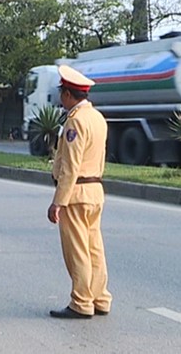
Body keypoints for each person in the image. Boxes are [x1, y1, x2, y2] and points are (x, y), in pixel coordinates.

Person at [47, 65, 112, 319]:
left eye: (62, 93)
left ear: (67, 95)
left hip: (77, 193)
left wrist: (58, 202)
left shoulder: (75, 121)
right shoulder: (97, 118)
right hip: (95, 190)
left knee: (77, 251)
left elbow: (70, 167)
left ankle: (81, 302)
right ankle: (100, 297)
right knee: (95, 248)